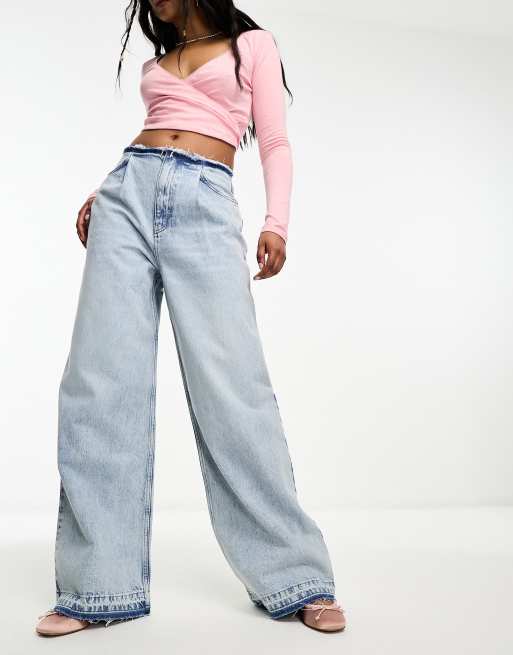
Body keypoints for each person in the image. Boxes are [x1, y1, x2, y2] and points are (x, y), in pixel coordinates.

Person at [35, 0, 345, 637]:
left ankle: (297, 578)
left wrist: (277, 223)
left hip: (205, 196)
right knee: (99, 382)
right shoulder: (159, 61)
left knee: (233, 389)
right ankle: (95, 587)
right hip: (126, 195)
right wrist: (104, 193)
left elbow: (275, 141)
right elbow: (153, 137)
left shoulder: (252, 46)